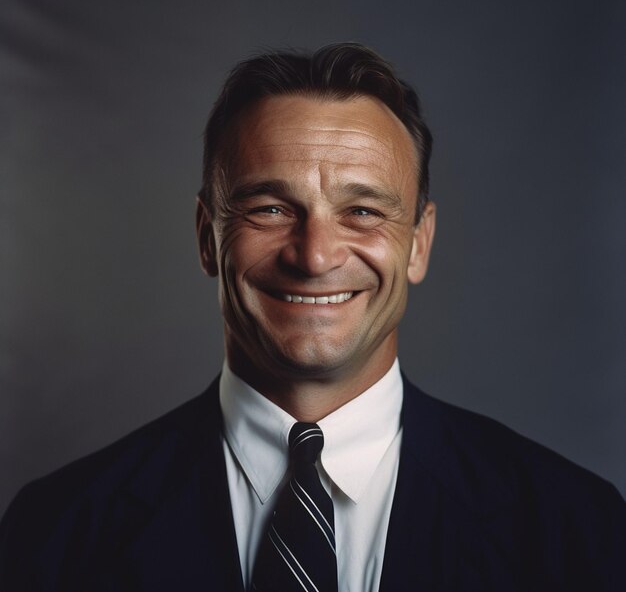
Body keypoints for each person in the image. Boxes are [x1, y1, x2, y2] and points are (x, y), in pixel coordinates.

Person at [1, 43, 624, 592]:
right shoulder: (53, 533)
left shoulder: (578, 529)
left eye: (362, 212)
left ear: (419, 243)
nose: (315, 255)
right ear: (205, 237)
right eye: (270, 209)